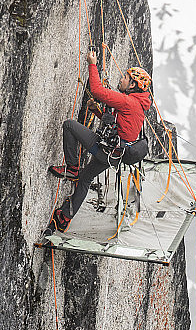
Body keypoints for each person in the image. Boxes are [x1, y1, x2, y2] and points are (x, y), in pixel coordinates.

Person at [44, 52, 152, 235]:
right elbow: (120, 128)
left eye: (125, 77)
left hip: (106, 150)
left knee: (69, 126)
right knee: (85, 179)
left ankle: (71, 168)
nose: (122, 79)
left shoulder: (128, 102)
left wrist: (92, 64)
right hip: (113, 156)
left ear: (133, 85)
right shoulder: (137, 105)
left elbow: (97, 91)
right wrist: (97, 112)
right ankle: (64, 219)